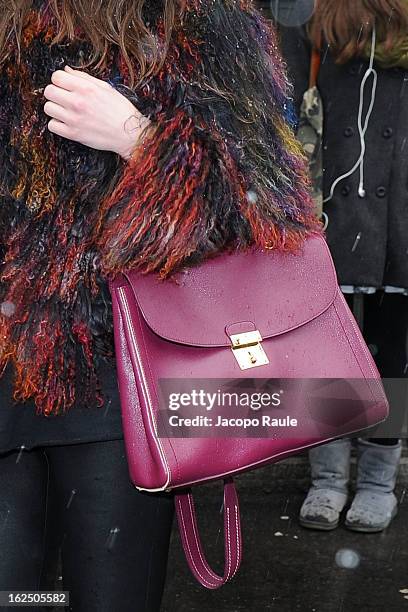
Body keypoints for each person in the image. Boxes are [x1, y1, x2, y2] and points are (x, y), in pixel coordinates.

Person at [0, 0, 321, 609]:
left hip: (122, 388)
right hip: (8, 373)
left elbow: (273, 206)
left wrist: (138, 140)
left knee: (110, 596)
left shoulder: (206, 17)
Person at [279, 0, 407, 532]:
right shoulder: (316, 19)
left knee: (393, 354)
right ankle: (328, 477)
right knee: (327, 351)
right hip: (331, 215)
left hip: (400, 218)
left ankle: (379, 480)